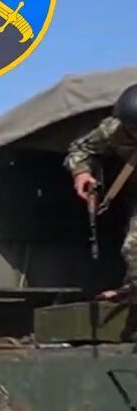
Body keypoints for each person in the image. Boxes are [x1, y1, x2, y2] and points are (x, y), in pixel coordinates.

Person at [63, 83, 137, 301]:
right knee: (133, 247)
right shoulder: (112, 130)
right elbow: (80, 148)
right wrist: (81, 173)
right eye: (133, 130)